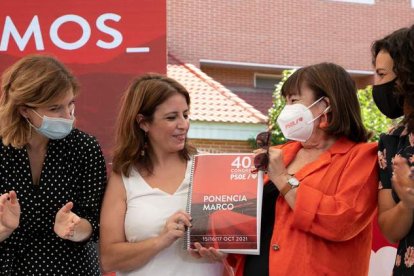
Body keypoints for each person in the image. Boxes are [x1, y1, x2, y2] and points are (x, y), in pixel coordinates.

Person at [227, 62, 379, 275]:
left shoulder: (363, 156)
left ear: (326, 105)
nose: (286, 110)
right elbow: (246, 223)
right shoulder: (279, 153)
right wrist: (220, 245)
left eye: (294, 100)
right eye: (285, 101)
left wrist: (281, 178)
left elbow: (341, 221)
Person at [99, 74, 224, 275]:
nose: (183, 124)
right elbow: (109, 260)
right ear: (143, 122)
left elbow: (239, 241)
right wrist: (161, 240)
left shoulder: (210, 168)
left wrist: (225, 253)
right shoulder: (123, 176)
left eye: (185, 114)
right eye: (171, 117)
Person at [0, 55, 107, 275]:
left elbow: (95, 223)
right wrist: (4, 228)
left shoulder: (85, 147)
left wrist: (74, 229)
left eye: (70, 104)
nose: (67, 116)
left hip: (72, 268)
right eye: (54, 108)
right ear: (24, 110)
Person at [373, 24, 414, 275]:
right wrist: (408, 205)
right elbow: (389, 230)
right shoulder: (392, 140)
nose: (377, 85)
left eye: (381, 74)